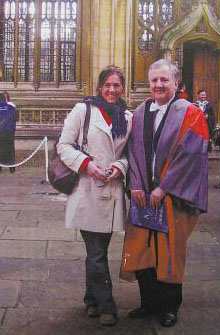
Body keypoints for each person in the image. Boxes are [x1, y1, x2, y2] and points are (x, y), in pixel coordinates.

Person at [120, 59, 209, 327]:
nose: (158, 85)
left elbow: (190, 155)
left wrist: (163, 187)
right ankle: (148, 303)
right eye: (154, 80)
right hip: (143, 197)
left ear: (176, 83)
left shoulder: (191, 113)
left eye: (164, 80)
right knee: (143, 250)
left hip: (172, 198)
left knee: (170, 251)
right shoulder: (139, 113)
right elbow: (132, 152)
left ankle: (170, 306)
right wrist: (136, 184)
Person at [57, 66, 132, 326]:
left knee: (97, 251)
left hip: (111, 191)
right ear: (100, 86)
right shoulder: (83, 110)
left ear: (123, 88)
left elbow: (128, 155)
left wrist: (119, 167)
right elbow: (63, 145)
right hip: (87, 191)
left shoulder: (128, 117)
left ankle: (91, 300)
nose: (112, 90)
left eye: (117, 85)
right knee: (97, 251)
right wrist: (87, 165)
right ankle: (107, 306)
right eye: (107, 85)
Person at [0, 91, 18, 173]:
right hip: (9, 131)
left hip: (1, 131)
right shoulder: (11, 107)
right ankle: (12, 168)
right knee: (10, 149)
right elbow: (16, 117)